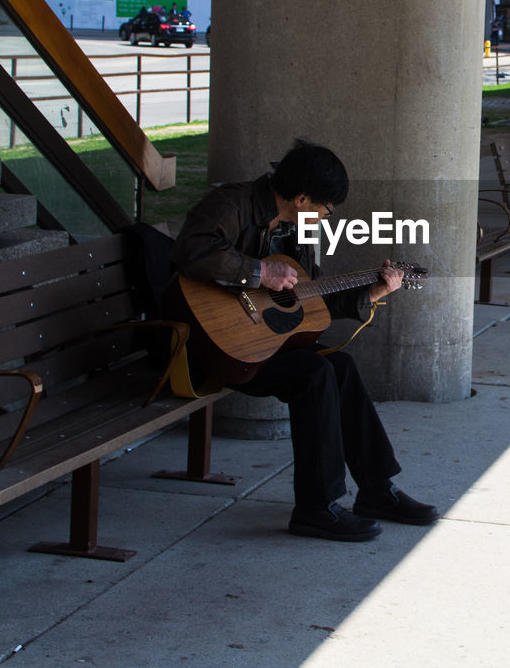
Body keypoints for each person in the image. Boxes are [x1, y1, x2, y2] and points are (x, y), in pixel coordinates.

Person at [168, 140, 438, 542]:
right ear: (301, 197)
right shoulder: (234, 203)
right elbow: (191, 249)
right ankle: (316, 508)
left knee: (340, 367)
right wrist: (258, 272)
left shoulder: (296, 230)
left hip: (261, 345)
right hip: (210, 346)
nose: (326, 217)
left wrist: (373, 292)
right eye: (326, 209)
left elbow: (311, 297)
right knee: (313, 374)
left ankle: (377, 490)